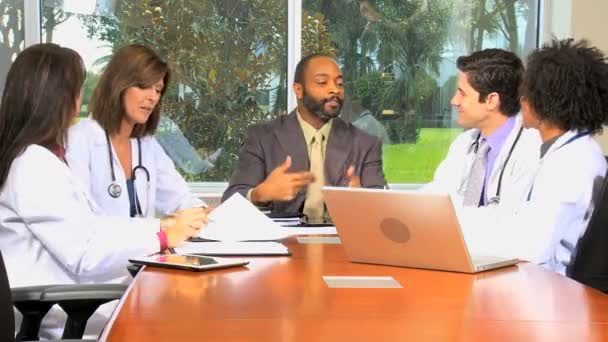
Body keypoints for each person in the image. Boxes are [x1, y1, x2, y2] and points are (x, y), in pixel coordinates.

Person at [0, 43, 207, 338]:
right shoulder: (34, 164)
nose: (79, 99)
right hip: (67, 308)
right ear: (60, 98)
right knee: (189, 313)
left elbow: (93, 228)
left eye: (158, 90)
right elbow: (85, 252)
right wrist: (161, 234)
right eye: (77, 89)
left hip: (78, 296)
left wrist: (163, 228)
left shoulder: (33, 159)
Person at [459, 39, 608, 275]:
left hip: (551, 291)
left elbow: (530, 247)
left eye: (526, 92)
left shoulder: (571, 164)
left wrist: (455, 230)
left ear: (543, 100)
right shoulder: (569, 152)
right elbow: (517, 220)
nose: (520, 100)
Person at [222, 54, 386, 223]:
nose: (335, 90)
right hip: (283, 242)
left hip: (341, 243)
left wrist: (364, 201)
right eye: (322, 82)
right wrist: (259, 194)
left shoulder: (365, 144)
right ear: (298, 90)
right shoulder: (262, 137)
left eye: (339, 84)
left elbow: (383, 208)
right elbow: (230, 200)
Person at [66, 44, 206, 219]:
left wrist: (202, 212)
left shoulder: (147, 144)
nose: (153, 97)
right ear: (118, 84)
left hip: (147, 245)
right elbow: (81, 220)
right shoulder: (79, 139)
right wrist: (159, 230)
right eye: (143, 86)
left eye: (158, 90)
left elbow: (179, 197)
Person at [423, 49, 541, 210]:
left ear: (491, 100)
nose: (454, 101)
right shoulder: (464, 144)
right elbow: (437, 194)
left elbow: (510, 220)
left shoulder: (530, 150)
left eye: (462, 94)